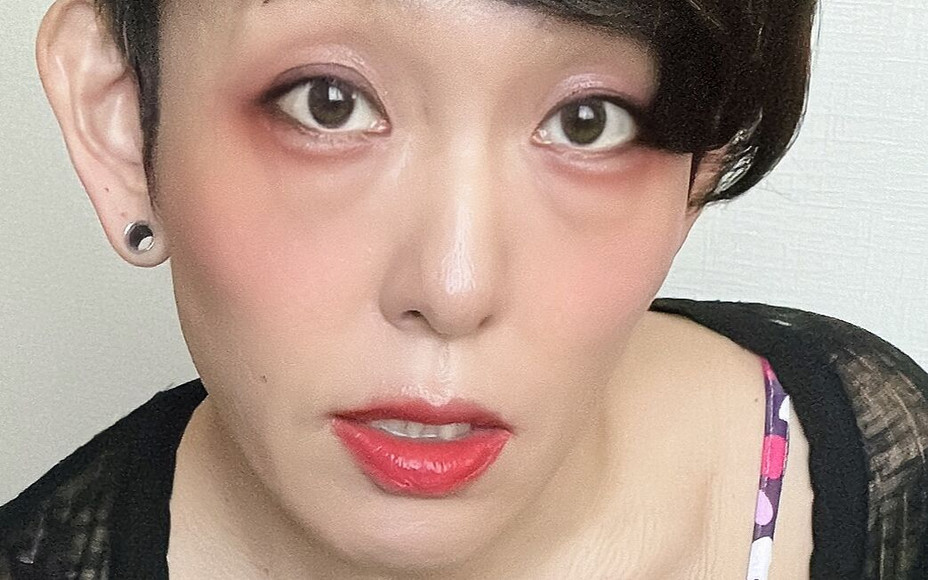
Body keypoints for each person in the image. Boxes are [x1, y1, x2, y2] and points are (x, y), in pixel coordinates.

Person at [2, 0, 926, 578]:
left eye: (589, 120)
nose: (453, 288)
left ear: (701, 164)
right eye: (327, 102)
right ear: (121, 120)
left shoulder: (877, 462)